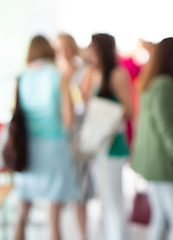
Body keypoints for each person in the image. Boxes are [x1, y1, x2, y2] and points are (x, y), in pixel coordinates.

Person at [13, 35, 78, 240]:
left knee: (22, 212)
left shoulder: (21, 78)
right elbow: (68, 120)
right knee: (54, 217)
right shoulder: (58, 76)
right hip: (54, 148)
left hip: (27, 149)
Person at [133, 37, 173, 240]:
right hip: (166, 165)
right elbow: (168, 127)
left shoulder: (155, 82)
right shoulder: (164, 85)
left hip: (157, 165)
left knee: (161, 218)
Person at [80, 33, 132, 240]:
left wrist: (105, 111)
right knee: (105, 200)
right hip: (97, 143)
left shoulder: (116, 74)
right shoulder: (92, 73)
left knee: (114, 200)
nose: (89, 52)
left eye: (92, 48)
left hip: (113, 142)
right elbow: (83, 99)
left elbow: (128, 109)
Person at [53, 33, 92, 240]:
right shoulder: (52, 72)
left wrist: (68, 86)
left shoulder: (82, 71)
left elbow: (80, 106)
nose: (63, 52)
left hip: (77, 134)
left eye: (65, 46)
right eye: (58, 47)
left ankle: (83, 235)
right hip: (56, 137)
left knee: (80, 190)